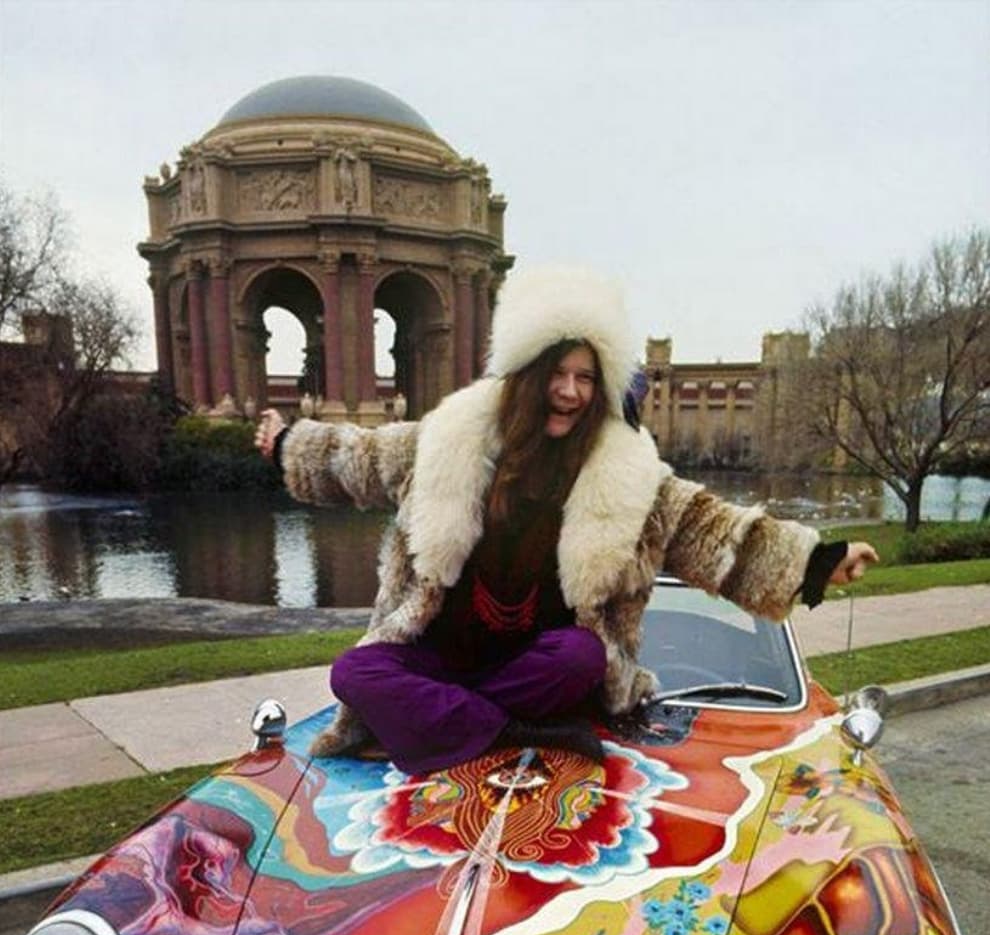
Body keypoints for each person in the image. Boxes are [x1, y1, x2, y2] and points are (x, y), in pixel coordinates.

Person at [256, 266, 877, 773]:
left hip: (538, 669)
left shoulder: (628, 472)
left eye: (586, 377)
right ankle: (510, 732)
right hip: (447, 658)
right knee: (355, 670)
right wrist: (292, 444)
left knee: (581, 656)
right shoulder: (450, 438)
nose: (571, 391)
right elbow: (359, 459)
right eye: (558, 372)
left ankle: (452, 724)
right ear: (528, 373)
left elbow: (707, 530)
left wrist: (817, 560)